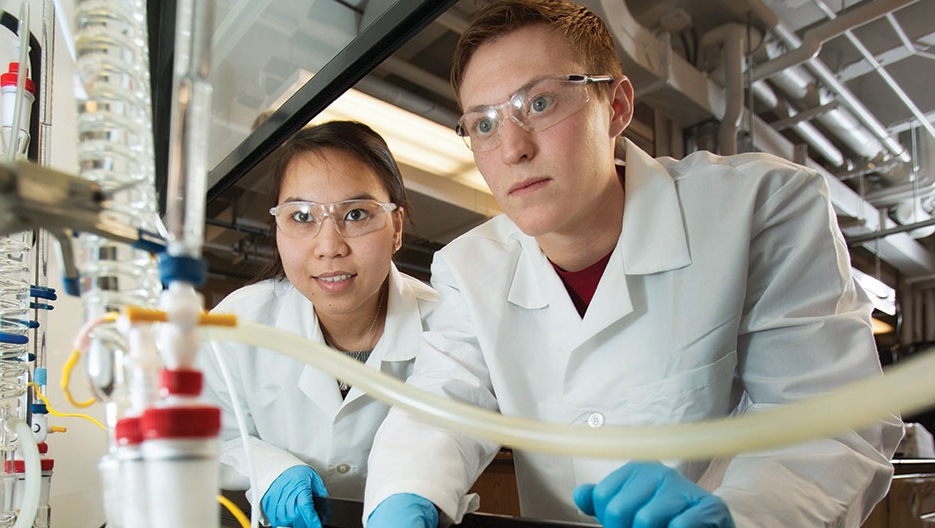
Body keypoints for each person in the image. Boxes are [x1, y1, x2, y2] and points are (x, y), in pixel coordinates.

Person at [361, 2, 903, 527]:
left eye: (541, 103)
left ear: (617, 107)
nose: (511, 149)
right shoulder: (468, 266)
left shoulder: (760, 207)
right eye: (483, 125)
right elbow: (438, 408)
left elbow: (833, 427)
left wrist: (739, 518)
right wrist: (404, 493)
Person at [198, 121, 438, 528]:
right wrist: (271, 471)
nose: (329, 247)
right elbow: (206, 434)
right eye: (302, 216)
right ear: (278, 227)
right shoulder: (237, 325)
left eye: (357, 214)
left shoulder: (447, 327)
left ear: (396, 227)